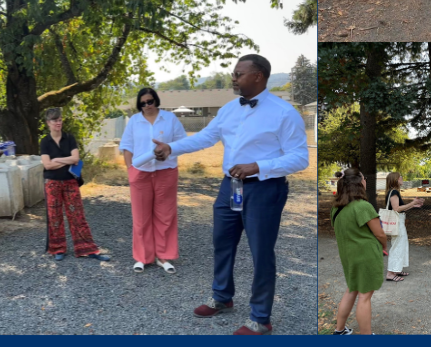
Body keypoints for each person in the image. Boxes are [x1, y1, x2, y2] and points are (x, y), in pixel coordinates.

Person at [152, 54, 308, 335]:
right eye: (234, 73)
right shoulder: (228, 109)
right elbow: (206, 137)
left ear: (258, 76)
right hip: (230, 188)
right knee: (222, 243)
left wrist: (258, 166)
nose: (233, 78)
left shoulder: (284, 113)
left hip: (264, 189)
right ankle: (222, 297)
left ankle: (260, 318)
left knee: (261, 253)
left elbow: (300, 158)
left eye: (239, 73)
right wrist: (171, 148)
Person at [119, 87, 187, 273]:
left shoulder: (170, 119)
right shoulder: (134, 121)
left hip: (166, 171)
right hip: (140, 173)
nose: (147, 105)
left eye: (150, 101)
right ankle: (142, 257)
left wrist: (168, 151)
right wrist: (130, 170)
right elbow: (126, 147)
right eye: (142, 103)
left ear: (156, 100)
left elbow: (182, 143)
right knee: (141, 218)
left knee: (165, 216)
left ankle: (163, 257)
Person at [39, 108, 109, 263]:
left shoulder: (69, 138)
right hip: (52, 183)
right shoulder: (45, 141)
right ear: (48, 123)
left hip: (70, 181)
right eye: (54, 120)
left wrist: (57, 160)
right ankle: (58, 249)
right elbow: (47, 165)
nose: (58, 122)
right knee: (55, 217)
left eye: (59, 119)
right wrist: (65, 159)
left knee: (77, 215)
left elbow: (76, 159)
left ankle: (87, 249)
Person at [330, 168, 387, 336]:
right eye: (364, 178)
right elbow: (379, 233)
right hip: (365, 256)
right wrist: (384, 246)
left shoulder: (336, 208)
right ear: (359, 183)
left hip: (348, 257)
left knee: (352, 289)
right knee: (364, 296)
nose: (365, 181)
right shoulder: (363, 207)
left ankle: (339, 330)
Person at [383, 171, 424, 280]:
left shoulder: (393, 192)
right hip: (397, 223)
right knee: (397, 246)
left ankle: (396, 270)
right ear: (396, 179)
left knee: (400, 245)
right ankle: (390, 273)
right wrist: (413, 203)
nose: (402, 178)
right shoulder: (394, 192)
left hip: (398, 222)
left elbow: (399, 209)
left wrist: (414, 205)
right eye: (400, 177)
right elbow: (397, 209)